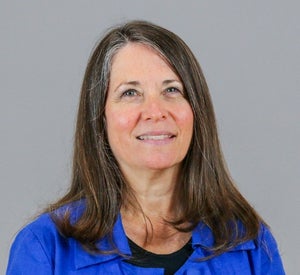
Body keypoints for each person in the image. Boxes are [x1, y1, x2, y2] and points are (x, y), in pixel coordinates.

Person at [7, 20, 285, 274]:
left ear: (197, 111)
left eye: (172, 90)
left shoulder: (250, 243)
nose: (155, 111)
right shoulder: (45, 248)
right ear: (100, 118)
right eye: (130, 93)